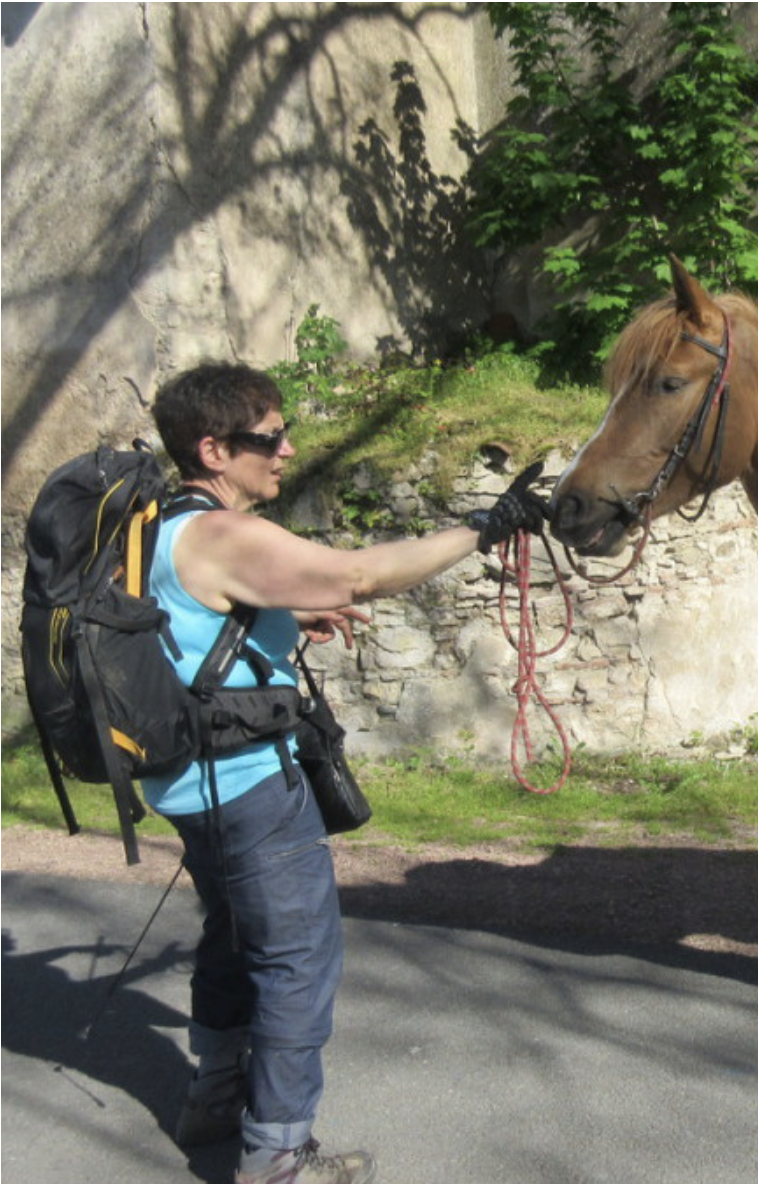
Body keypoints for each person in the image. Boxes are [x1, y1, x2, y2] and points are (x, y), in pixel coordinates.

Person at [145, 363, 546, 1184]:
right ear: (214, 449)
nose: (286, 449)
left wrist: (283, 611)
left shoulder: (158, 522)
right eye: (268, 437)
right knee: (295, 958)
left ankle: (214, 1099)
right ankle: (279, 1157)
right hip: (250, 782)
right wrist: (488, 523)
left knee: (230, 936)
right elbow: (361, 571)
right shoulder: (224, 535)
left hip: (186, 783)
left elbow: (188, 616)